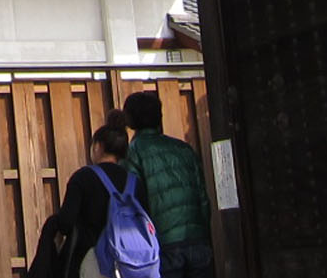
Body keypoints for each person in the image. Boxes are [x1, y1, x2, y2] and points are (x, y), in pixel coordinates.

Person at [122, 92, 212, 278]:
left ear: (129, 120)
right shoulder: (184, 149)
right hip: (197, 241)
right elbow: (203, 199)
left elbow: (132, 202)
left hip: (163, 244)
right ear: (159, 116)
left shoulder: (134, 152)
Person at [33, 114, 133, 278]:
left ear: (97, 147)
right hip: (130, 262)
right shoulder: (134, 182)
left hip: (91, 259)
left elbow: (66, 222)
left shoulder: (83, 177)